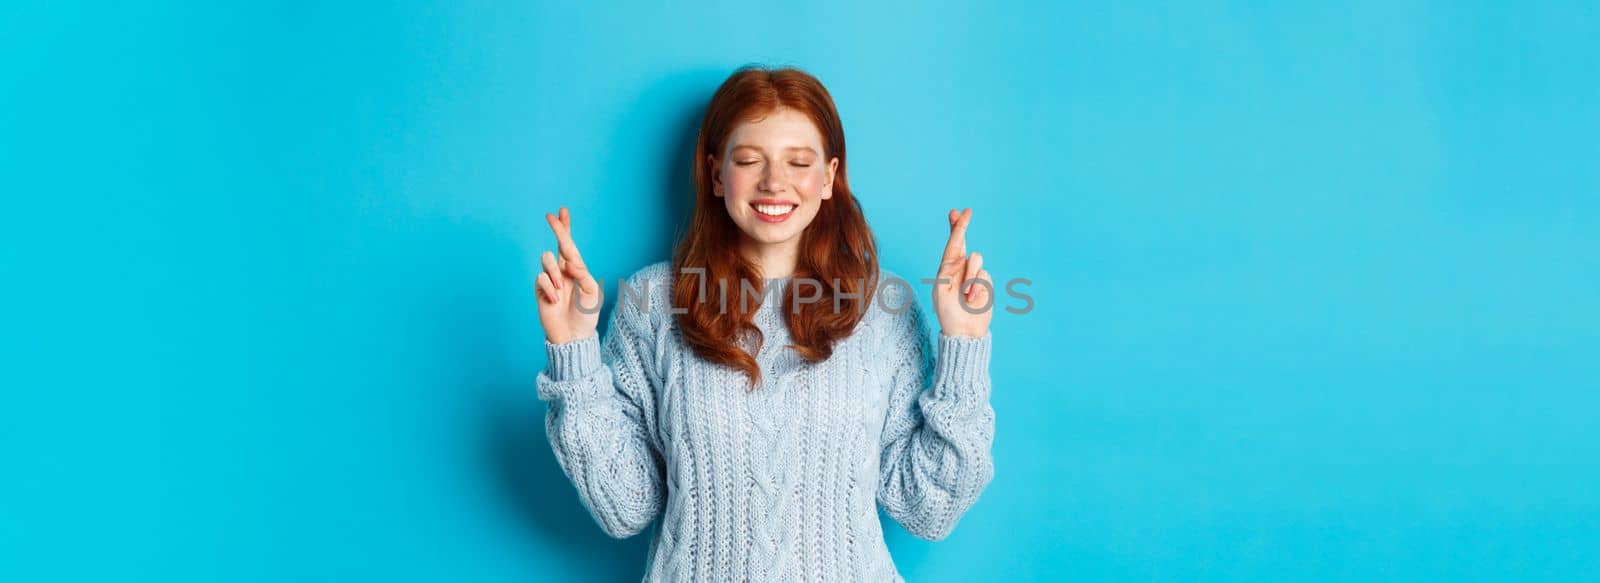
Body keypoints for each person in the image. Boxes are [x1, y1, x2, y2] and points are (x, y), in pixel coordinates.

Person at [532, 65, 995, 582]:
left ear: (830, 178)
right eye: (749, 160)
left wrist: (964, 345)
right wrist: (574, 352)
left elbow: (926, 508)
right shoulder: (652, 303)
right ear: (714, 174)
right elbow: (626, 506)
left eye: (799, 162)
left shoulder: (883, 308)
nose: (774, 182)